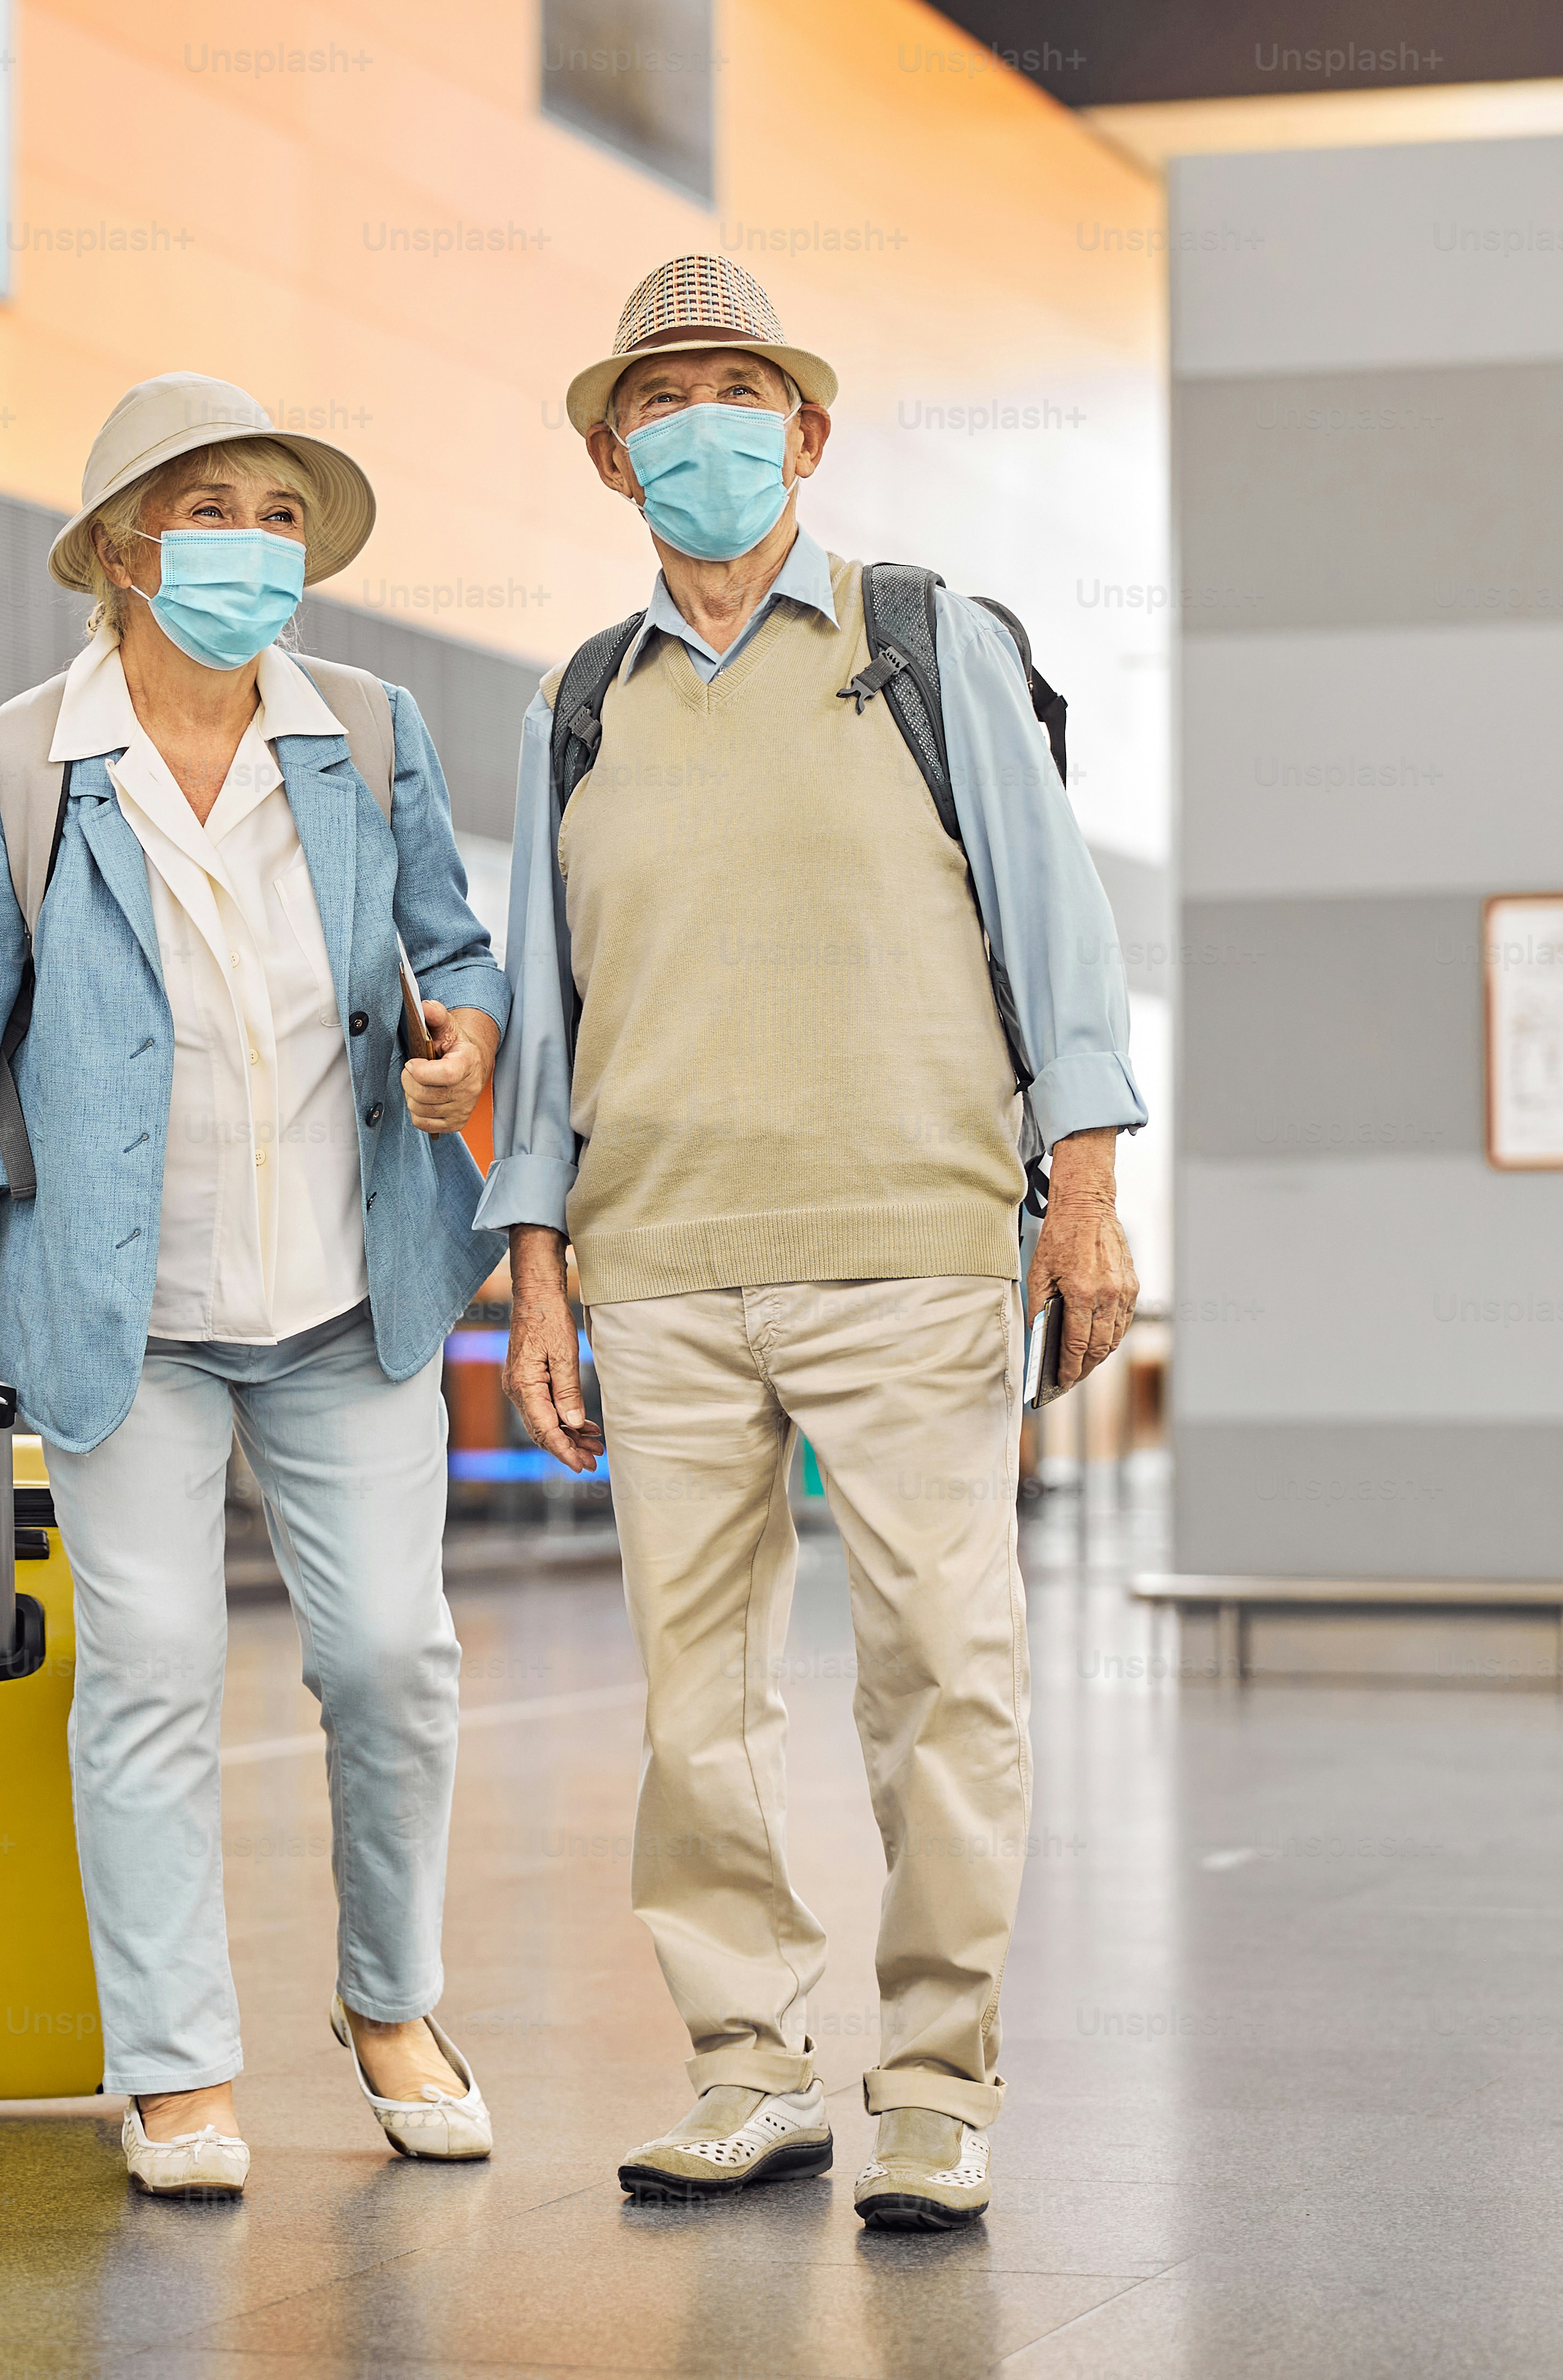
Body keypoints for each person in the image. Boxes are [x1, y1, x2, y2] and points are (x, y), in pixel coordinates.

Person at [476, 258, 1146, 2231]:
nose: (703, 425)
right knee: (698, 1708)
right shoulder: (575, 705)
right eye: (663, 398)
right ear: (614, 456)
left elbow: (1059, 936)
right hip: (658, 1268)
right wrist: (534, 1266)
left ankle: (934, 2083)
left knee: (942, 1673)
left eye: (737, 389)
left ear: (807, 432)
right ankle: (744, 2067)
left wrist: (1083, 1195)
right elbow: (547, 1004)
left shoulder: (922, 644)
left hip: (912, 1247)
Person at [0, 373, 508, 2200]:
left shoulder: (372, 734)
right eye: (216, 505)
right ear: (125, 551)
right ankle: (174, 2065)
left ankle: (388, 2006)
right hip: (121, 1315)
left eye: (283, 512)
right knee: (148, 1671)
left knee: (390, 1662)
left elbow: (449, 952)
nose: (258, 541)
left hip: (349, 1293)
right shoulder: (13, 765)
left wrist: (461, 1041)